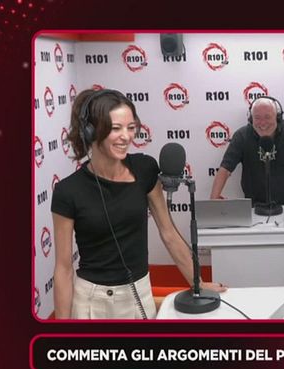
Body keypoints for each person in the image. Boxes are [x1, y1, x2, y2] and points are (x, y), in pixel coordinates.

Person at [51, 89, 227, 319]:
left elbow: (168, 232)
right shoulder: (68, 191)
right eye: (116, 128)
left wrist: (198, 283)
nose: (126, 136)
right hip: (91, 302)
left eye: (131, 127)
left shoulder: (145, 169)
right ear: (91, 131)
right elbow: (63, 269)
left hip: (139, 294)